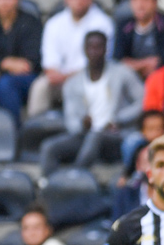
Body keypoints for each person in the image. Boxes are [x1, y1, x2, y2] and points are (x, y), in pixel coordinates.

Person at [38, 29, 144, 175]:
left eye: (99, 47)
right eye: (91, 47)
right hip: (84, 135)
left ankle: (76, 177)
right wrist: (82, 124)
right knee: (48, 146)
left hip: (116, 134)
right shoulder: (73, 83)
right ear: (84, 49)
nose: (95, 51)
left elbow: (143, 101)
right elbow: (71, 119)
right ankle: (48, 186)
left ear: (106, 49)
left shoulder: (122, 73)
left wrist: (118, 120)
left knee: (96, 136)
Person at [28, 0, 113, 118]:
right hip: (58, 80)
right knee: (40, 86)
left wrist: (66, 77)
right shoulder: (54, 23)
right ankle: (35, 128)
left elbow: (98, 64)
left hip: (88, 80)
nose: (78, 1)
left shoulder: (103, 23)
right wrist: (58, 75)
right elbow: (49, 63)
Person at [111, 0, 164, 82]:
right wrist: (145, 64)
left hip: (161, 82)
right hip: (130, 82)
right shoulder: (123, 27)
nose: (140, 5)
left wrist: (133, 65)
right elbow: (118, 61)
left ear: (155, 2)